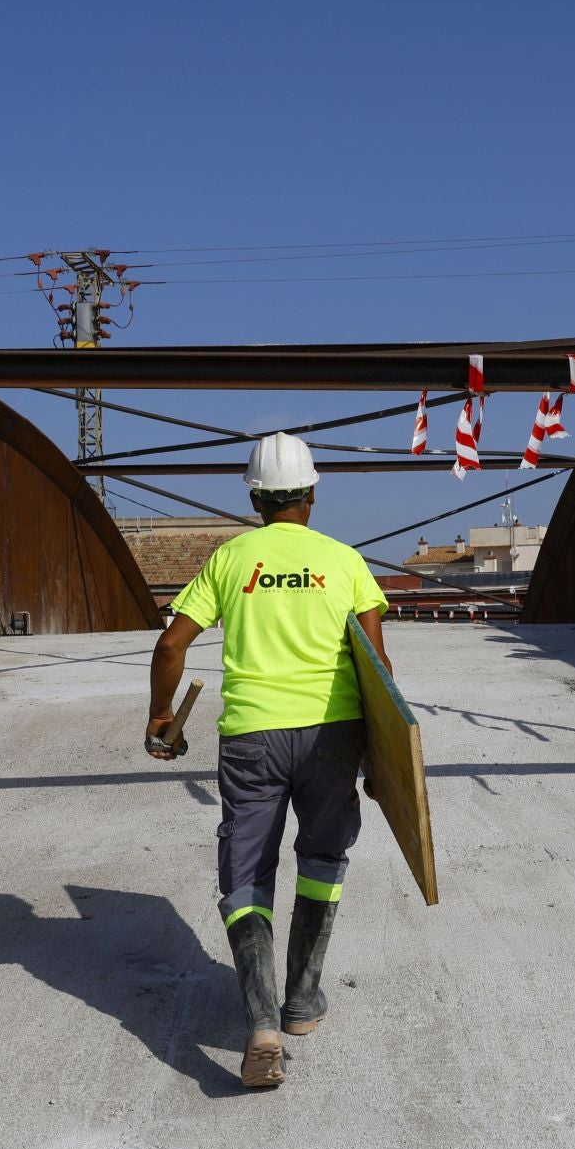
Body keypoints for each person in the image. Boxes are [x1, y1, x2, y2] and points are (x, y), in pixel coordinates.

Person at [144, 432, 391, 1090]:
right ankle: (302, 1001)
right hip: (331, 734)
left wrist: (161, 717)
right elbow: (379, 667)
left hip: (252, 737)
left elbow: (172, 645)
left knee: (245, 869)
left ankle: (259, 1020)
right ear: (312, 493)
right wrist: (382, 758)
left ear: (255, 497)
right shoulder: (344, 561)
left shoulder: (230, 559)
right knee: (323, 858)